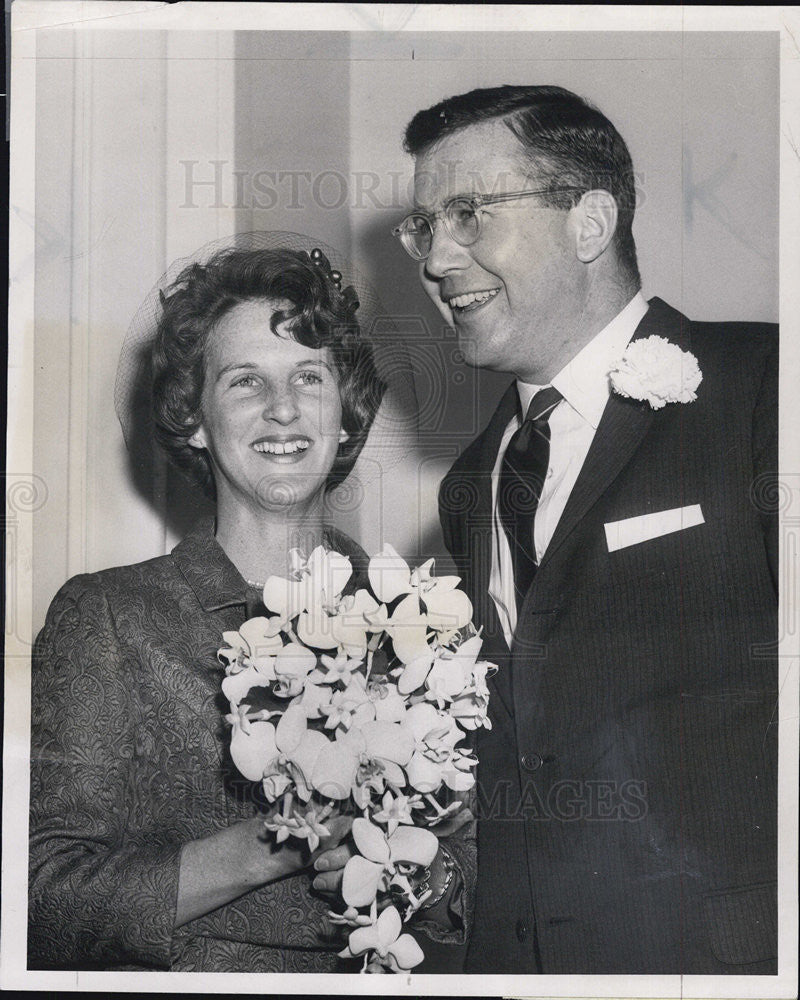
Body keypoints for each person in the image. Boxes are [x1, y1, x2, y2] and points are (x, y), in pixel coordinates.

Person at [394, 85, 778, 974]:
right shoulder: (469, 482)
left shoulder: (764, 387)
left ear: (590, 222)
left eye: (467, 214)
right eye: (423, 228)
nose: (437, 258)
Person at [28, 245, 387, 971]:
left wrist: (428, 874)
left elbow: (476, 890)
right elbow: (41, 903)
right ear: (194, 418)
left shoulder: (412, 621)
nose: (283, 409)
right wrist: (269, 847)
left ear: (345, 415)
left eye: (309, 377)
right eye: (246, 381)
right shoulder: (109, 617)